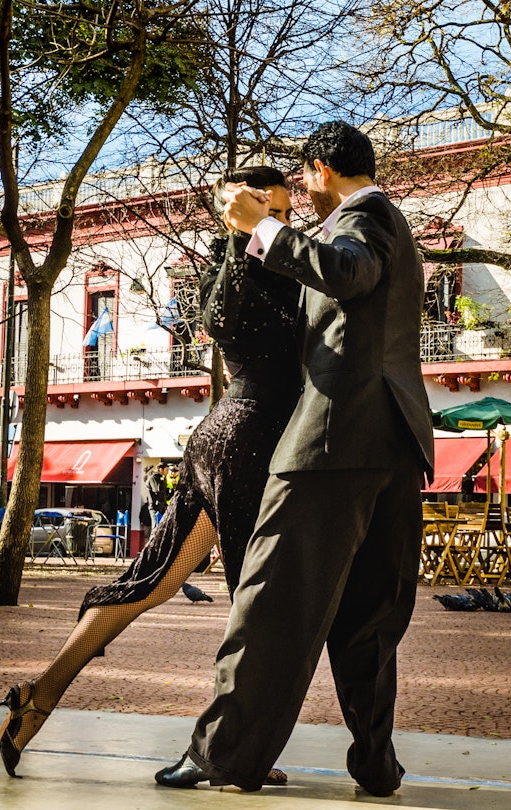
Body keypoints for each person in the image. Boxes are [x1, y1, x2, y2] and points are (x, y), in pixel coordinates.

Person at [0, 164, 304, 781]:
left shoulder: (265, 267)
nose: (284, 224)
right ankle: (229, 749)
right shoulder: (242, 270)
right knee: (255, 605)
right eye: (274, 212)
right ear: (241, 209)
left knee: (152, 580)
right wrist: (248, 236)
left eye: (287, 215)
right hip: (247, 444)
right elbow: (223, 322)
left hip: (226, 439)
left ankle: (38, 697)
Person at [154, 121, 435, 796]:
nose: (301, 194)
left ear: (321, 170)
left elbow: (346, 273)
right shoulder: (396, 226)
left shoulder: (359, 222)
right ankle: (375, 764)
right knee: (371, 615)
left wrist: (264, 228)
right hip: (396, 444)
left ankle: (222, 755)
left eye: (304, 181)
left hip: (331, 444)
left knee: (268, 601)